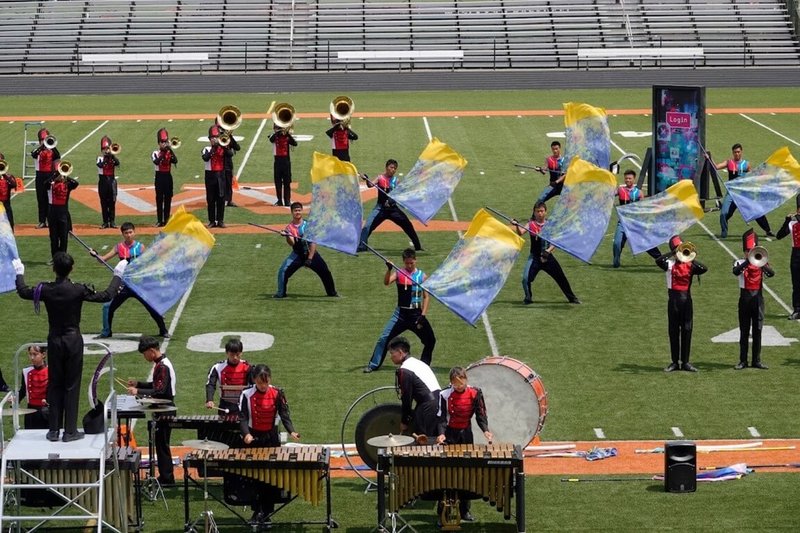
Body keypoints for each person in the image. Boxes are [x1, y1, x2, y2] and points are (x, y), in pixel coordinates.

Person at [14, 252, 124, 442]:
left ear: (54, 268)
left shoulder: (46, 289)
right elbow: (106, 294)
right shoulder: (77, 289)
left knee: (55, 384)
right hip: (73, 340)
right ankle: (70, 431)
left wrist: (19, 274)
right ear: (71, 268)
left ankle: (54, 430)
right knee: (71, 386)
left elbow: (24, 292)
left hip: (54, 340)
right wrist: (117, 275)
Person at [239, 364, 300, 524]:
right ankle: (256, 511)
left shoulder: (277, 393)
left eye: (265, 382)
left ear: (269, 379)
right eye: (260, 383)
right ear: (254, 380)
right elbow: (243, 417)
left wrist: (291, 431)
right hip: (253, 439)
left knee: (270, 477)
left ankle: (267, 513)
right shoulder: (246, 394)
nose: (263, 386)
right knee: (254, 478)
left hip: (271, 439)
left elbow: (284, 413)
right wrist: (246, 434)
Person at [90, 222, 169, 339]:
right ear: (122, 234)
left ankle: (163, 331)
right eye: (126, 233)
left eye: (130, 232)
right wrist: (95, 254)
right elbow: (103, 259)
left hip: (138, 284)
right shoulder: (119, 247)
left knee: (152, 307)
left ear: (134, 232)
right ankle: (106, 332)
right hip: (124, 285)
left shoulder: (140, 247)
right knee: (107, 306)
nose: (128, 235)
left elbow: (150, 259)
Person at [364, 248, 436, 373]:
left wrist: (423, 315)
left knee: (430, 340)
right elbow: (386, 282)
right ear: (403, 261)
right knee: (384, 338)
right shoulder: (399, 273)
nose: (409, 265)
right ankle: (373, 364)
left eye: (411, 263)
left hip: (416, 315)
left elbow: (426, 296)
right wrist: (388, 269)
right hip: (400, 315)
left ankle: (424, 366)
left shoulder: (422, 276)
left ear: (415, 260)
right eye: (407, 263)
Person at [436, 366, 492, 524]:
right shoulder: (444, 394)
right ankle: (443, 514)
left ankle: (465, 510)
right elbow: (441, 418)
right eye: (456, 384)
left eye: (462, 383)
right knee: (446, 475)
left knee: (465, 474)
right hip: (449, 436)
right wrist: (441, 433)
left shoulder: (475, 392)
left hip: (466, 435)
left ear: (466, 380)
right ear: (451, 382)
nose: (459, 386)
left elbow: (481, 414)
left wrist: (485, 430)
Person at [127, 335, 176, 486]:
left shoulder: (163, 366)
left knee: (162, 446)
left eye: (145, 353)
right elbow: (156, 384)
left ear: (152, 351)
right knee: (161, 445)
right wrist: (139, 384)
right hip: (162, 409)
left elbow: (160, 390)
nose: (144, 357)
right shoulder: (161, 364)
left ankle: (167, 478)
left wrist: (138, 392)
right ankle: (165, 476)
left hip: (165, 410)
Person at [655, 235, 708, 372]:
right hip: (673, 301)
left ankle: (685, 362)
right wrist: (673, 253)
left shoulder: (690, 265)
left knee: (687, 330)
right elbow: (658, 260)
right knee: (673, 331)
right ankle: (674, 362)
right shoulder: (669, 265)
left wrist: (691, 256)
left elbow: (704, 268)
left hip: (686, 301)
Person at [513, 201, 580, 305]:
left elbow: (556, 241)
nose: (540, 213)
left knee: (561, 278)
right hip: (534, 258)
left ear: (545, 212)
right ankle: (528, 298)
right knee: (525, 279)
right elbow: (521, 233)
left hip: (548, 257)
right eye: (537, 211)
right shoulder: (531, 224)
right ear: (534, 213)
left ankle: (572, 298)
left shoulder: (550, 225)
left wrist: (548, 251)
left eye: (542, 211)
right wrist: (516, 225)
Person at [273, 201, 338, 299]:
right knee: (283, 271)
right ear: (292, 212)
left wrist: (310, 258)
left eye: (299, 210)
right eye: (295, 211)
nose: (297, 212)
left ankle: (332, 293)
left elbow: (313, 242)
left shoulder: (308, 225)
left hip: (311, 254)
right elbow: (292, 243)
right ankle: (281, 293)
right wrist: (286, 236)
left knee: (325, 272)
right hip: (297, 255)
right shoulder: (289, 228)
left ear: (302, 211)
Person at [357, 159, 423, 252]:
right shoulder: (380, 178)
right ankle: (362, 246)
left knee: (407, 225)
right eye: (391, 167)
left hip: (393, 210)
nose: (393, 170)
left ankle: (418, 246)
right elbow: (370, 185)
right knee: (368, 226)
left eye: (395, 168)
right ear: (386, 167)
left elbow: (400, 193)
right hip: (380, 209)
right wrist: (366, 178)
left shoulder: (396, 180)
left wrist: (392, 200)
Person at [732, 229, 774, 369]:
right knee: (744, 331)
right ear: (745, 251)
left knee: (758, 330)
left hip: (758, 299)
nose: (750, 252)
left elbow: (771, 273)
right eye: (748, 250)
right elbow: (736, 272)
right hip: (744, 299)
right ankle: (743, 360)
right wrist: (748, 260)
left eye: (752, 250)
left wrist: (761, 264)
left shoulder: (761, 262)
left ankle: (756, 360)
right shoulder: (739, 262)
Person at [715, 143, 773, 238]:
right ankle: (724, 231)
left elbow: (753, 175)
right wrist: (708, 158)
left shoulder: (746, 164)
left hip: (744, 194)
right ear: (732, 153)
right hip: (732, 193)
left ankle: (768, 230)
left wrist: (762, 174)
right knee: (724, 214)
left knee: (756, 211)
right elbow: (716, 167)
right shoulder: (729, 162)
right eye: (735, 152)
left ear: (741, 152)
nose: (737, 154)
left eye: (738, 152)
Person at [390, 336, 443, 439]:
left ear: (400, 352)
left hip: (428, 406)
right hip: (438, 403)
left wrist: (404, 421)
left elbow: (406, 398)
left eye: (392, 353)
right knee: (435, 441)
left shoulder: (405, 369)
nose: (391, 357)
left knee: (423, 442)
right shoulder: (418, 363)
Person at [612, 170, 662, 267]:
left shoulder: (639, 193)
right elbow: (609, 194)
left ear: (634, 179)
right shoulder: (620, 190)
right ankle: (616, 262)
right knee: (617, 243)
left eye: (630, 178)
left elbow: (642, 208)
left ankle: (660, 258)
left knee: (645, 242)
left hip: (635, 223)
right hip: (622, 222)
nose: (627, 180)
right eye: (626, 178)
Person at [205, 339, 251, 415]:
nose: (235, 357)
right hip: (225, 406)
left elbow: (254, 386)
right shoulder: (217, 367)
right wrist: (209, 400)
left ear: (241, 353)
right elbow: (211, 384)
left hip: (243, 405)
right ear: (227, 353)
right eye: (232, 355)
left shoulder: (248, 367)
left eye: (237, 354)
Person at [201, 125, 232, 228]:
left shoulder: (222, 147)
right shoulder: (206, 149)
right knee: (210, 199)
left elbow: (230, 153)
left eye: (216, 137)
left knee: (221, 198)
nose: (215, 139)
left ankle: (220, 220)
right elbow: (205, 158)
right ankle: (211, 220)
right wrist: (213, 148)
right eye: (213, 137)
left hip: (220, 176)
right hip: (210, 176)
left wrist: (223, 146)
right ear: (209, 139)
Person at [775, 195, 800, 320]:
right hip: (796, 254)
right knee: (796, 284)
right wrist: (786, 221)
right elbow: (779, 236)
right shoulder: (792, 222)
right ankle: (797, 309)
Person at [30, 128, 60, 229]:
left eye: (45, 139)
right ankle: (42, 221)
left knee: (50, 199)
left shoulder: (53, 151)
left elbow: (57, 160)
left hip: (50, 175)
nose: (44, 141)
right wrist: (42, 146)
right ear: (39, 141)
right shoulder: (36, 151)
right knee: (41, 199)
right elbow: (34, 154)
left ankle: (51, 220)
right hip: (40, 176)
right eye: (42, 139)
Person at [46, 170, 79, 260]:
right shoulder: (50, 185)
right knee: (54, 238)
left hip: (63, 214)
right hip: (52, 214)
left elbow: (76, 183)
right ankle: (55, 258)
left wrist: (65, 176)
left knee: (64, 238)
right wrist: (55, 175)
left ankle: (63, 256)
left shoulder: (67, 185)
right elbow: (45, 183)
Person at [19, 344, 49, 430]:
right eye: (30, 354)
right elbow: (23, 390)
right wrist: (15, 399)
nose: (32, 357)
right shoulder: (26, 371)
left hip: (46, 411)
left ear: (43, 355)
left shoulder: (52, 371)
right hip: (30, 411)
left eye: (35, 354)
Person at [152, 128, 177, 227]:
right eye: (162, 142)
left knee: (168, 198)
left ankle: (166, 220)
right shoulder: (155, 152)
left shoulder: (169, 152)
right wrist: (163, 152)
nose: (164, 144)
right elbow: (156, 162)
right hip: (159, 177)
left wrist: (170, 150)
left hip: (168, 176)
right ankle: (159, 220)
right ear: (159, 143)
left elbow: (175, 161)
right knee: (159, 199)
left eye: (165, 142)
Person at [268, 124, 297, 206]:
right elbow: (271, 139)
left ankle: (287, 200)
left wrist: (287, 133)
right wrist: (278, 132)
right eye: (277, 128)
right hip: (277, 162)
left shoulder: (287, 137)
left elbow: (295, 143)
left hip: (286, 162)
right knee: (278, 182)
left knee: (287, 182)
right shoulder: (273, 136)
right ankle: (279, 200)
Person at [96, 135, 120, 229]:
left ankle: (112, 221)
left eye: (107, 148)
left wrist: (112, 156)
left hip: (112, 181)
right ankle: (105, 221)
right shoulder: (100, 158)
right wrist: (106, 158)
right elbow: (100, 165)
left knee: (112, 202)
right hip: (102, 181)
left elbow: (118, 164)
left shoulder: (112, 158)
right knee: (104, 202)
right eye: (104, 149)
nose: (106, 150)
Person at [216, 118, 241, 208]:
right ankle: (220, 200)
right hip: (219, 163)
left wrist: (230, 137)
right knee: (220, 183)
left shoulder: (228, 137)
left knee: (228, 182)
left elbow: (237, 147)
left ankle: (229, 200)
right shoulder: (216, 137)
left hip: (228, 163)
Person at [0, 152, 18, 230]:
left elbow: (14, 185)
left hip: (6, 206)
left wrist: (4, 174)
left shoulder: (9, 176)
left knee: (10, 228)